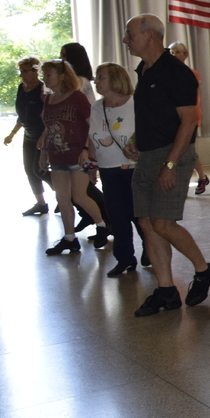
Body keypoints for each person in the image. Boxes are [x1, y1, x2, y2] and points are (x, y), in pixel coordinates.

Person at [124, 14, 210, 316]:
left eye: (130, 34)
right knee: (146, 222)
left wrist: (170, 164)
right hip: (147, 154)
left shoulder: (178, 73)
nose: (126, 40)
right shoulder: (144, 69)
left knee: (163, 223)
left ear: (150, 35)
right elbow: (155, 114)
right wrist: (136, 138)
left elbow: (188, 122)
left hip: (171, 154)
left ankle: (204, 271)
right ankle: (166, 290)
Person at [38, 59, 107, 255]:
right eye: (44, 75)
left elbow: (91, 124)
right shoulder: (48, 99)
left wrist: (86, 149)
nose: (45, 78)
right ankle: (69, 238)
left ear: (62, 76)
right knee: (62, 198)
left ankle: (102, 225)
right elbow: (48, 128)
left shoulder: (77, 97)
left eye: (49, 74)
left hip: (77, 155)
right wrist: (44, 151)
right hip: (57, 156)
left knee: (79, 196)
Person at [88, 63, 141, 276]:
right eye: (96, 77)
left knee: (138, 215)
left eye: (101, 77)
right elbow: (92, 135)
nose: (96, 81)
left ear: (116, 79)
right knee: (117, 216)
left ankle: (151, 249)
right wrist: (91, 164)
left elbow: (146, 132)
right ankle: (125, 258)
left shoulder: (135, 104)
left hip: (132, 167)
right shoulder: (96, 107)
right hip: (107, 168)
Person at [59, 41, 111, 222]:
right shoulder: (78, 81)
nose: (60, 59)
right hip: (75, 137)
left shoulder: (80, 82)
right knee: (76, 187)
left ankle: (103, 216)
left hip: (82, 136)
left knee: (82, 187)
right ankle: (93, 215)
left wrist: (87, 147)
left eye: (64, 55)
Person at [6, 56, 50, 215]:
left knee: (39, 169)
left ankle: (64, 195)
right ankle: (41, 203)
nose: (22, 75)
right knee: (29, 169)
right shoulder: (21, 88)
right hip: (29, 134)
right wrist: (12, 133)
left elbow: (49, 115)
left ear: (35, 71)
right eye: (21, 71)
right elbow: (22, 115)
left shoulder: (42, 89)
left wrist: (43, 136)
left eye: (25, 71)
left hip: (42, 134)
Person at [167, 42, 210, 195]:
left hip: (190, 117)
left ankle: (201, 177)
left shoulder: (191, 73)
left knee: (187, 149)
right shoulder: (168, 73)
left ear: (185, 55)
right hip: (173, 118)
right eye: (172, 52)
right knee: (177, 150)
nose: (174, 55)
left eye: (178, 52)